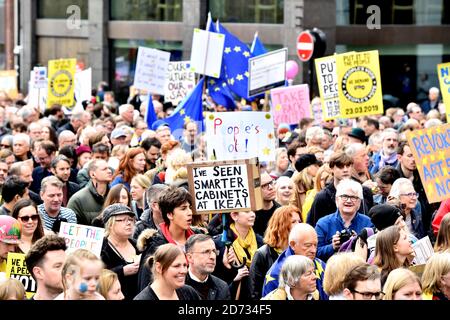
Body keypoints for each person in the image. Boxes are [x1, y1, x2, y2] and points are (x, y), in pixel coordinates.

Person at [137, 186, 200, 291]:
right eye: (183, 208)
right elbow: (146, 288)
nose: (190, 212)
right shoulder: (155, 246)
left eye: (190, 207)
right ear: (170, 214)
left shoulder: (199, 239)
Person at [307, 151, 373, 227]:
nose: (345, 170)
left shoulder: (365, 192)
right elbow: (313, 226)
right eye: (340, 166)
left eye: (348, 166)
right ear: (332, 168)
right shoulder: (323, 197)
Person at [262, 223, 327, 300]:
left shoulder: (321, 264)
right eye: (308, 245)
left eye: (315, 245)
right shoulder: (276, 274)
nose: (314, 250)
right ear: (293, 245)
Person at [315, 179, 374, 262]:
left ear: (359, 202)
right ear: (337, 200)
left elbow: (374, 253)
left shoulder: (368, 223)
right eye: (344, 197)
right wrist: (332, 247)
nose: (349, 201)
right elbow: (315, 252)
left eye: (353, 197)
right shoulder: (323, 224)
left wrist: (358, 244)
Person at [249, 205, 300, 300]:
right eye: (293, 222)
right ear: (281, 225)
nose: (299, 225)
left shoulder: (300, 251)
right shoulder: (261, 254)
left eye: (299, 221)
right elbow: (254, 292)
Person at [213, 210, 263, 300]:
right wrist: (226, 266)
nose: (253, 215)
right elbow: (215, 278)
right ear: (234, 216)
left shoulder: (261, 242)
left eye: (253, 211)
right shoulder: (220, 243)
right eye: (247, 212)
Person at [101, 204, 140, 300]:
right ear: (110, 224)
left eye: (131, 220)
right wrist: (122, 271)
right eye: (123, 220)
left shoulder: (138, 245)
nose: (129, 223)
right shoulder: (102, 248)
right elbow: (97, 277)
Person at [134, 243, 200, 300]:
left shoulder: (189, 292)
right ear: (159, 267)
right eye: (176, 266)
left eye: (185, 265)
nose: (183, 271)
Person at [67, 159, 112, 226]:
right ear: (92, 174)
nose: (109, 171)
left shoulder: (114, 195)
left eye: (109, 168)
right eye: (104, 169)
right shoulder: (78, 199)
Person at [185, 234, 230, 300]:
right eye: (206, 252)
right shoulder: (177, 286)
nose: (213, 257)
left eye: (214, 251)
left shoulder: (222, 287)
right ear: (190, 257)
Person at [253, 172, 281, 237]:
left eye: (271, 183)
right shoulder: (250, 215)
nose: (270, 187)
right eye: (264, 186)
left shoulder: (281, 211)